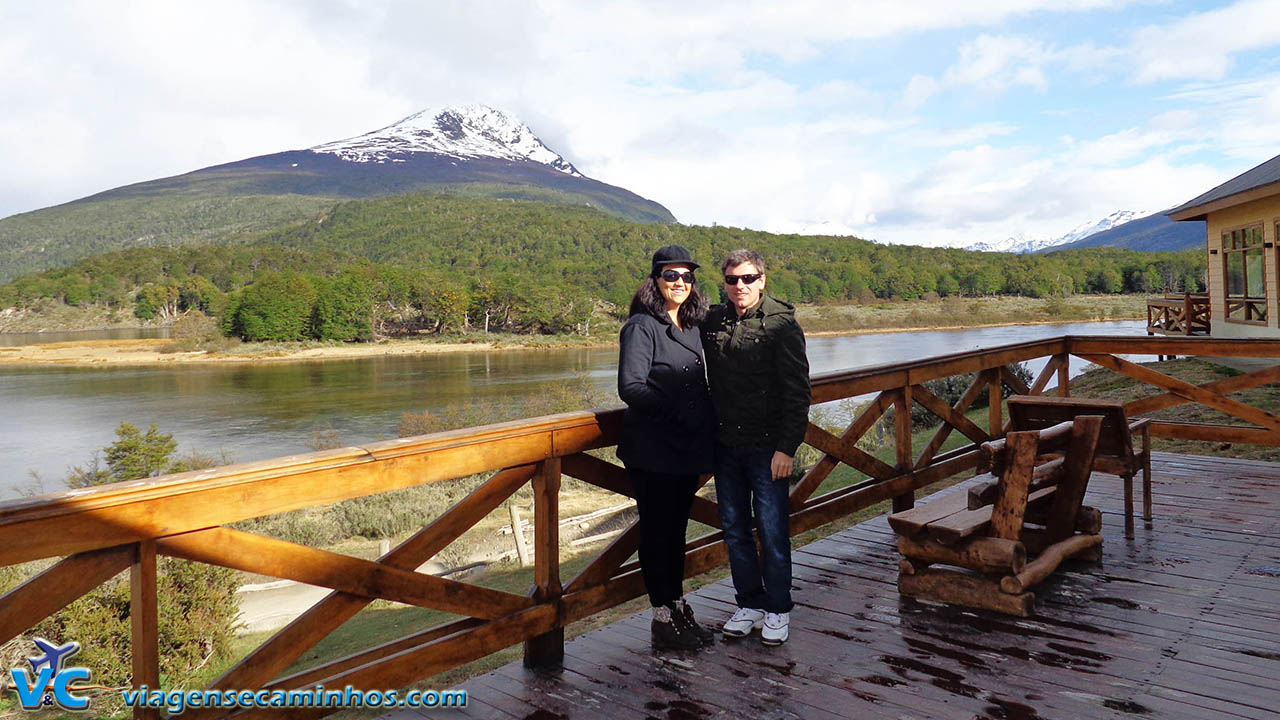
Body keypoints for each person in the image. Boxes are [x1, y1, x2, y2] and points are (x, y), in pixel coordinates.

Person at [701, 248, 810, 646]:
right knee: (734, 530)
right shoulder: (714, 320)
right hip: (726, 447)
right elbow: (674, 317)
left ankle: (778, 609)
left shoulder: (783, 324)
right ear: (725, 283)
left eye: (747, 279)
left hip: (768, 449)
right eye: (732, 280)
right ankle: (750, 603)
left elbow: (798, 393)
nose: (740, 286)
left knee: (772, 530)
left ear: (762, 280)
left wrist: (787, 448)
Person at [617, 244, 717, 650]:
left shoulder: (692, 326)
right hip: (654, 450)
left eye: (687, 276)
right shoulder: (641, 327)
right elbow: (630, 387)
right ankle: (662, 616)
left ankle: (678, 606)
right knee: (657, 534)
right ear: (655, 281)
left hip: (685, 450)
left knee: (676, 532)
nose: (680, 283)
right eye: (671, 276)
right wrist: (677, 411)